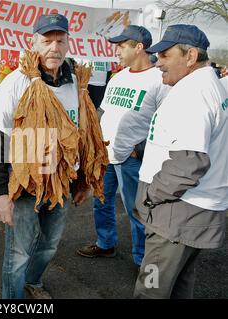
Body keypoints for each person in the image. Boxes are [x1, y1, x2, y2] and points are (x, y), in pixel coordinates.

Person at [0, 14, 90, 299]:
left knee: (48, 245)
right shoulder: (16, 83)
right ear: (33, 43)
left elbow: (82, 135)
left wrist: (82, 179)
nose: (53, 47)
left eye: (60, 40)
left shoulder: (75, 83)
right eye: (46, 41)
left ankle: (33, 281)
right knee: (18, 252)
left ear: (69, 43)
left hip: (63, 183)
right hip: (26, 185)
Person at [133, 24, 228, 298]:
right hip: (193, 212)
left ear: (190, 56)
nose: (157, 62)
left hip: (177, 214)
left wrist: (151, 196)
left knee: (150, 290)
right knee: (178, 286)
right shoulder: (209, 85)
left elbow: (189, 164)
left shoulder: (192, 94)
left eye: (165, 55)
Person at [76, 26, 170, 269]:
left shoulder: (159, 80)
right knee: (101, 203)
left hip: (132, 159)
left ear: (139, 47)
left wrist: (139, 149)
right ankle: (106, 244)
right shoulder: (118, 77)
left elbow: (167, 124)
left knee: (136, 211)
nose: (116, 50)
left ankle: (143, 260)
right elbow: (104, 112)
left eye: (122, 45)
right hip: (105, 154)